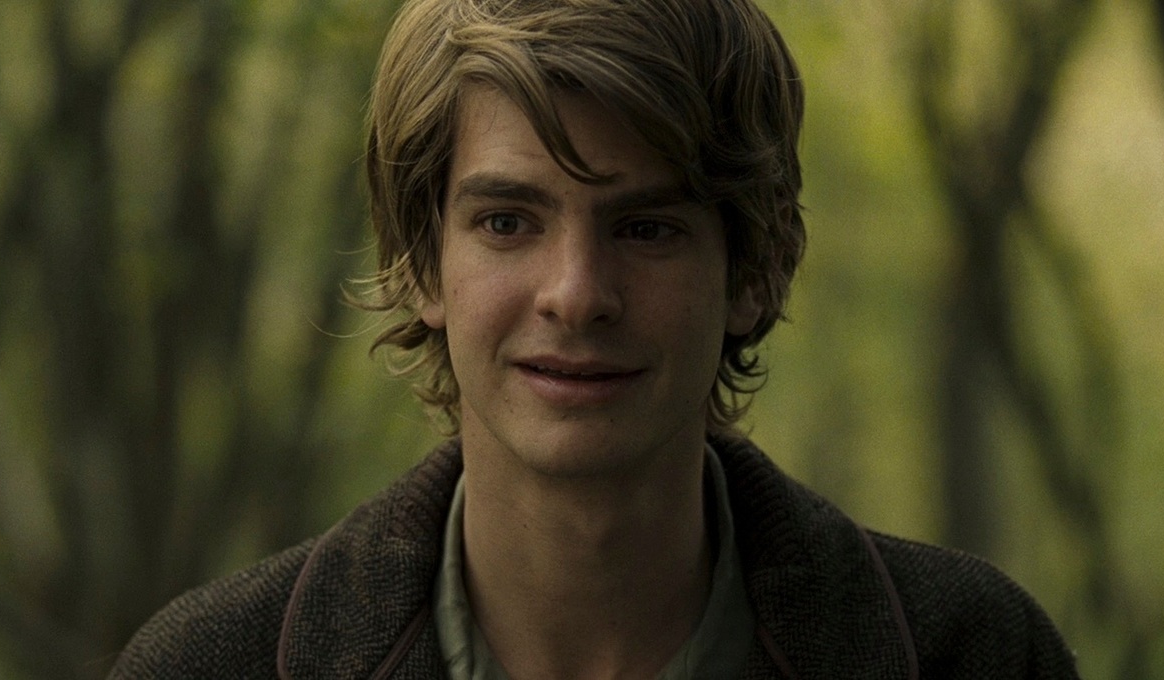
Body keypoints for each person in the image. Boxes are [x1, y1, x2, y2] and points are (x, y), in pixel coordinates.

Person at [110, 0, 1080, 677]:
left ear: (756, 269)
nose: (576, 294)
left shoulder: (969, 652)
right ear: (417, 257)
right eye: (506, 221)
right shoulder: (211, 663)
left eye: (647, 227)